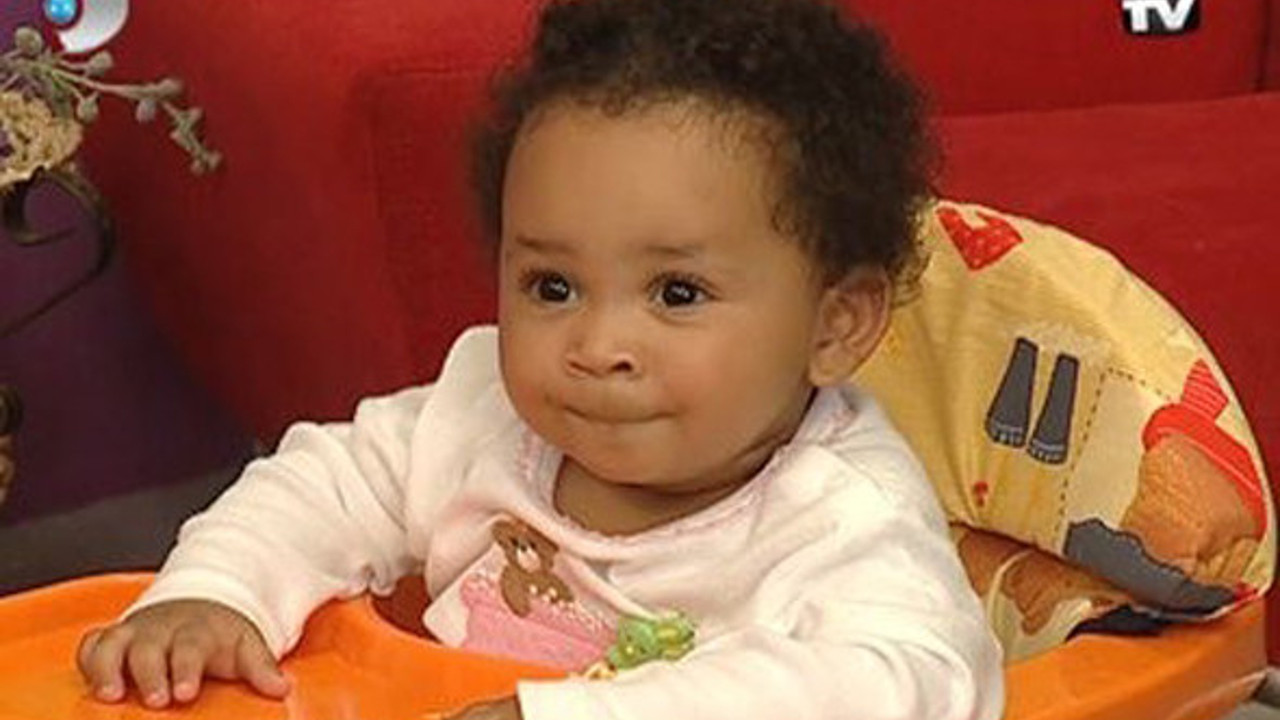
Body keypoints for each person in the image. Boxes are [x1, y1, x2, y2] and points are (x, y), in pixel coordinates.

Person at [76, 0, 1004, 717]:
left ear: (835, 326)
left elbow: (909, 680)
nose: (597, 347)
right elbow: (326, 483)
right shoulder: (482, 409)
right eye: (552, 287)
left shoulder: (842, 518)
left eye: (677, 294)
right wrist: (218, 594)